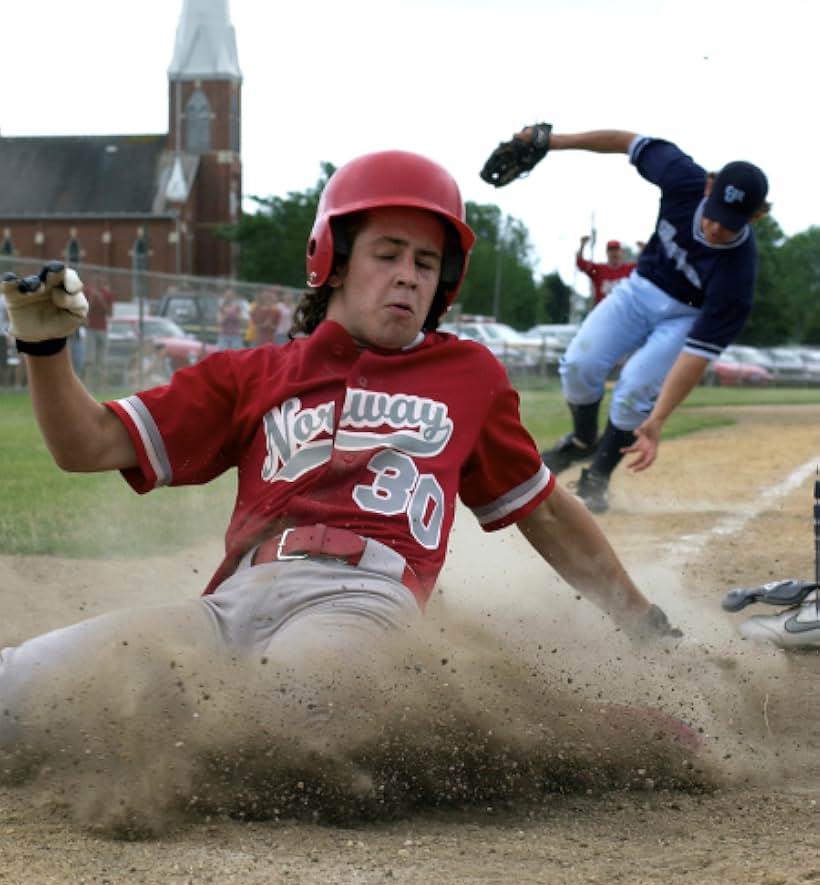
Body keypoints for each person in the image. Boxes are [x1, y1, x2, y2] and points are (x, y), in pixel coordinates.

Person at [0, 154, 680, 801]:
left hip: (365, 599)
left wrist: (640, 619)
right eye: (387, 254)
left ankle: (579, 735)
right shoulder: (256, 373)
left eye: (426, 262)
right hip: (230, 604)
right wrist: (44, 347)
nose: (409, 276)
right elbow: (86, 443)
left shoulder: (468, 376)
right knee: (23, 686)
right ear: (331, 259)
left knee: (290, 716)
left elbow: (548, 513)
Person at [519, 125, 769, 514]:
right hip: (641, 288)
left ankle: (597, 478)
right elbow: (626, 142)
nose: (716, 227)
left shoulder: (738, 277)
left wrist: (658, 419)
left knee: (635, 392)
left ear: (755, 217)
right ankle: (583, 440)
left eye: (731, 221)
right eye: (716, 213)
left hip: (686, 317)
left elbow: (695, 355)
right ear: (708, 188)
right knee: (579, 365)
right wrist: (553, 142)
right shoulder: (683, 177)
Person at [575, 236, 636, 306]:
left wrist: (646, 250)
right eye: (611, 250)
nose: (614, 253)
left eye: (616, 250)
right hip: (604, 313)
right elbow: (580, 263)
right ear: (606, 252)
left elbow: (647, 270)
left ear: (621, 252)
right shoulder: (598, 270)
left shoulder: (630, 269)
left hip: (625, 312)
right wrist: (582, 245)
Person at [84, 275, 114, 387]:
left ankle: (103, 385)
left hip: (103, 329)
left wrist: (101, 300)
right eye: (96, 280)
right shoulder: (87, 291)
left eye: (100, 280)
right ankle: (87, 385)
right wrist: (91, 299)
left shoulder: (107, 293)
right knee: (89, 359)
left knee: (103, 359)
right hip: (90, 328)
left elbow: (110, 313)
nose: (98, 282)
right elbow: (84, 312)